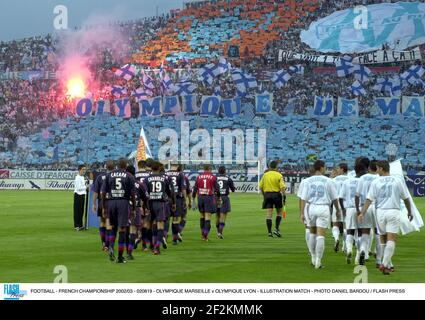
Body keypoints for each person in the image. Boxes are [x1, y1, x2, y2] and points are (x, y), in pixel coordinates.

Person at [358, 160, 413, 275]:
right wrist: (410, 211)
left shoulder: (376, 181)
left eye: (377, 168)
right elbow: (406, 198)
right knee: (391, 239)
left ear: (382, 169)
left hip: (380, 213)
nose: (376, 170)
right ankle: (384, 263)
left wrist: (362, 212)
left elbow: (369, 199)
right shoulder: (397, 180)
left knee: (383, 239)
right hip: (393, 211)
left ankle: (387, 265)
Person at [299, 160, 341, 269]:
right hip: (323, 208)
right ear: (322, 168)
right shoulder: (328, 181)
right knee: (321, 235)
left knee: (312, 233)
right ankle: (318, 260)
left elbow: (303, 198)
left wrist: (302, 213)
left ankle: (313, 257)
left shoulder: (307, 181)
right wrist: (338, 209)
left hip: (311, 207)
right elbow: (335, 198)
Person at [101, 158, 136, 264]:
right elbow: (133, 194)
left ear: (117, 165)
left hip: (111, 202)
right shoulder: (129, 176)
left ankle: (111, 247)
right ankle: (120, 257)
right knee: (122, 229)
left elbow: (103, 192)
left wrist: (103, 206)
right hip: (123, 203)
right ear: (125, 165)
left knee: (112, 227)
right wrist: (133, 208)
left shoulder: (109, 175)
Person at [145, 161, 176, 255]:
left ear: (151, 168)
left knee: (152, 224)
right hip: (160, 203)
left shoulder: (147, 179)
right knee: (160, 225)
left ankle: (151, 244)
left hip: (150, 203)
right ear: (159, 168)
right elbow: (170, 192)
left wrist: (145, 206)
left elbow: (145, 193)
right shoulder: (163, 178)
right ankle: (156, 248)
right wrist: (173, 203)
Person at [355, 160, 379, 266]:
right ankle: (379, 258)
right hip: (377, 207)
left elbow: (357, 195)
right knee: (379, 233)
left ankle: (363, 251)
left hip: (364, 206)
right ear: (377, 169)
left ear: (369, 168)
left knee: (365, 232)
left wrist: (358, 210)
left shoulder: (362, 178)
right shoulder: (379, 178)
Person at [339, 164, 362, 264]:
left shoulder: (347, 182)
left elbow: (340, 197)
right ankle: (358, 255)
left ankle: (348, 249)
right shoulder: (362, 181)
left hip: (349, 209)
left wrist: (343, 209)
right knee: (360, 232)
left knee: (350, 231)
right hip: (360, 208)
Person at [192, 164, 220, 242]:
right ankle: (205, 236)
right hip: (209, 198)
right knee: (208, 218)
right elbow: (217, 189)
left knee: (202, 216)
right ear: (210, 169)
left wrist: (193, 199)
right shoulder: (213, 177)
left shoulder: (199, 177)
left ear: (204, 169)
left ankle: (202, 235)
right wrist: (219, 197)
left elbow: (195, 189)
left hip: (200, 198)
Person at [259, 161, 286, 238]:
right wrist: (284, 196)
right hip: (276, 195)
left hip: (267, 195)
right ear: (276, 167)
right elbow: (282, 187)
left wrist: (264, 195)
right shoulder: (279, 175)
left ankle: (269, 232)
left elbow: (260, 187)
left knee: (269, 214)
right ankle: (276, 229)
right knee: (279, 212)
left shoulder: (265, 175)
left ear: (270, 166)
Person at [92, 161, 114, 251]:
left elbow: (96, 192)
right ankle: (108, 245)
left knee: (102, 222)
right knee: (109, 223)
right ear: (114, 167)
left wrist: (94, 204)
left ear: (105, 167)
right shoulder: (115, 177)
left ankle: (104, 243)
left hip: (102, 202)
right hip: (112, 202)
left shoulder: (100, 177)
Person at [166, 164, 187, 245]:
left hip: (168, 199)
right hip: (177, 198)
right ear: (177, 165)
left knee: (167, 218)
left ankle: (164, 236)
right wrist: (185, 199)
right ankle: (174, 239)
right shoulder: (180, 174)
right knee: (175, 219)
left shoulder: (166, 173)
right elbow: (183, 188)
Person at [332, 163, 348, 253]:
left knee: (335, 224)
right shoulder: (350, 179)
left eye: (338, 168)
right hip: (347, 204)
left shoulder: (334, 180)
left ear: (342, 169)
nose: (337, 170)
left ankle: (337, 238)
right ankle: (345, 247)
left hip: (337, 203)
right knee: (346, 225)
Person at [216, 166, 236, 239]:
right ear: (225, 171)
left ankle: (217, 231)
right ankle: (220, 232)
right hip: (224, 198)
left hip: (216, 198)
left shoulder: (215, 178)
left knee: (217, 216)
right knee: (223, 216)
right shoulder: (228, 179)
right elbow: (233, 189)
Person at [73, 165, 88, 231]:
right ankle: (76, 226)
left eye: (85, 169)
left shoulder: (82, 177)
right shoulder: (77, 177)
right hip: (78, 195)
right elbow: (79, 188)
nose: (84, 171)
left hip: (82, 195)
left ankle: (80, 225)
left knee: (81, 211)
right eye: (83, 169)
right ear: (79, 170)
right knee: (77, 211)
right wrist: (86, 187)